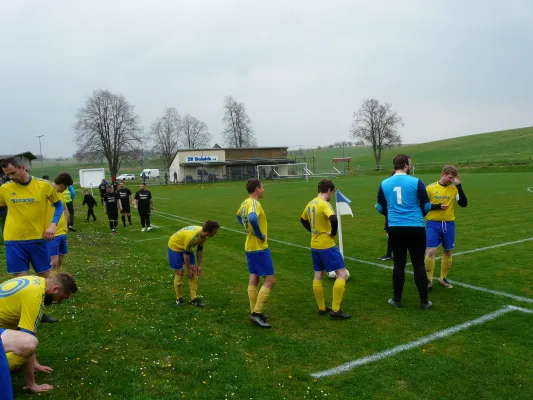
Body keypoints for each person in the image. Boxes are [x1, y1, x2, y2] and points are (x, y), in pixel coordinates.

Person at [376, 154, 437, 310]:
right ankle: (424, 302)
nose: (410, 166)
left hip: (395, 228)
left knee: (399, 264)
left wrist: (392, 216)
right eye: (409, 163)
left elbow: (380, 207)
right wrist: (417, 216)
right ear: (405, 165)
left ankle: (397, 300)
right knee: (418, 264)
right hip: (416, 227)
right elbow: (426, 206)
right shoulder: (416, 182)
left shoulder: (384, 183)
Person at [0, 273, 77, 393]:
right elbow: (27, 340)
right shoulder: (34, 297)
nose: (58, 302)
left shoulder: (38, 282)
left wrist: (34, 363)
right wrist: (32, 384)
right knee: (28, 344)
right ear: (55, 289)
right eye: (61, 297)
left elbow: (31, 328)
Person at [0, 157, 63, 278]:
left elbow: (59, 205)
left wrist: (53, 224)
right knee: (21, 281)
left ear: (22, 168)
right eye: (8, 175)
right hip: (13, 240)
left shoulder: (43, 185)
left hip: (38, 239)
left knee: (45, 279)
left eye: (13, 173)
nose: (11, 177)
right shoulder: (5, 189)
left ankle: (47, 298)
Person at [300, 179, 351, 319]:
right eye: (332, 192)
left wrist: (312, 231)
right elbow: (334, 219)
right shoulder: (324, 204)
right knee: (342, 274)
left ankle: (322, 308)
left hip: (314, 244)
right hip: (327, 245)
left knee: (318, 275)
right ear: (329, 190)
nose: (332, 195)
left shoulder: (311, 203)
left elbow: (302, 219)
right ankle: (336, 310)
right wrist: (333, 234)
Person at [236, 178, 275, 328]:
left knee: (254, 280)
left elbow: (238, 216)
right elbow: (252, 217)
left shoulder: (245, 202)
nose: (263, 190)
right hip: (259, 247)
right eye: (262, 187)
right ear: (257, 189)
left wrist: (247, 229)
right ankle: (257, 314)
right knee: (270, 281)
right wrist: (258, 234)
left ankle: (254, 312)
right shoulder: (254, 203)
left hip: (250, 247)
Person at [424, 165, 468, 289]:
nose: (451, 180)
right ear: (443, 174)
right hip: (433, 224)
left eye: (453, 178)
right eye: (450, 177)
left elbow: (464, 203)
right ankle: (428, 280)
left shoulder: (454, 189)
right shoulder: (430, 188)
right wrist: (436, 206)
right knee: (431, 251)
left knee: (448, 251)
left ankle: (443, 278)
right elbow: (423, 205)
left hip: (448, 224)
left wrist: (459, 186)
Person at [168, 221, 220, 307]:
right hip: (175, 247)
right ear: (209, 231)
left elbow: (199, 250)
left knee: (194, 271)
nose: (215, 234)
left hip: (185, 247)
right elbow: (186, 256)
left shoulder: (204, 236)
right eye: (214, 232)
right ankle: (179, 298)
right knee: (180, 273)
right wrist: (188, 270)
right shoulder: (192, 237)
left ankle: (193, 298)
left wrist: (199, 265)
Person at [45, 173, 73, 278]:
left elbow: (65, 208)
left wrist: (65, 224)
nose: (65, 190)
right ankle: (49, 284)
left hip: (62, 232)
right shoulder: (46, 191)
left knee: (60, 260)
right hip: (52, 233)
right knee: (53, 262)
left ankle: (55, 280)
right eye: (66, 187)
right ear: (62, 184)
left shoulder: (60, 194)